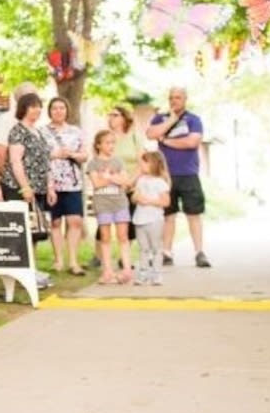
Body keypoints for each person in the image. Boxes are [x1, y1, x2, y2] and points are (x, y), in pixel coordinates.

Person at [146, 86, 210, 268]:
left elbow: (192, 142)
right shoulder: (160, 118)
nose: (174, 100)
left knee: (194, 214)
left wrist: (165, 141)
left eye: (178, 97)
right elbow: (151, 134)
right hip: (165, 174)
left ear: (185, 99)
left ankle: (199, 253)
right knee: (168, 215)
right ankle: (166, 253)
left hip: (189, 173)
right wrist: (170, 121)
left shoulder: (194, 119)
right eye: (171, 98)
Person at [0, 92, 56, 228]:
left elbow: (45, 161)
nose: (38, 110)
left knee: (36, 228)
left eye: (39, 107)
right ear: (24, 108)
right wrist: (25, 188)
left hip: (39, 187)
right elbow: (15, 161)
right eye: (33, 106)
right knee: (21, 228)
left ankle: (32, 251)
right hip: (18, 187)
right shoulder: (18, 131)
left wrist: (50, 187)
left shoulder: (39, 132)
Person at [45, 97, 86, 275]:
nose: (58, 111)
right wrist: (55, 154)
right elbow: (38, 157)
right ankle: (58, 260)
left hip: (72, 182)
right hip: (51, 182)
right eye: (55, 108)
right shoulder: (43, 131)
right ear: (50, 111)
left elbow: (85, 155)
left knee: (74, 220)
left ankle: (73, 261)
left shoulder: (76, 131)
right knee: (55, 222)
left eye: (62, 108)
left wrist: (73, 154)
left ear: (67, 110)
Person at [86, 130, 132, 285]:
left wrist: (109, 177)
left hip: (120, 203)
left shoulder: (118, 162)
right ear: (98, 145)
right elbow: (97, 184)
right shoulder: (93, 163)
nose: (111, 145)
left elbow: (126, 181)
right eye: (107, 142)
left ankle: (126, 270)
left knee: (123, 236)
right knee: (105, 237)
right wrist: (114, 179)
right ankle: (108, 271)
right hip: (102, 204)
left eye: (113, 142)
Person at [131, 151, 171, 287]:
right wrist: (137, 198)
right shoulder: (141, 180)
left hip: (154, 220)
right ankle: (142, 274)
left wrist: (149, 200)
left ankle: (156, 274)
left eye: (144, 162)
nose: (141, 164)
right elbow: (134, 196)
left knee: (156, 248)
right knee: (143, 249)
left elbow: (166, 202)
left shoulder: (160, 182)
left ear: (153, 164)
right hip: (139, 219)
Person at [0, 81, 38, 186]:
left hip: (35, 183)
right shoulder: (5, 120)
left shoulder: (35, 122)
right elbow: (0, 153)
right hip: (15, 183)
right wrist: (8, 180)